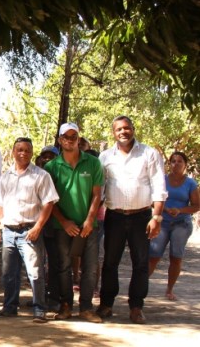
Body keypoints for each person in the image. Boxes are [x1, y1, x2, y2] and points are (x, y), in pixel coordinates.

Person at [97, 115, 167, 325]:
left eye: (126, 128)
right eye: (119, 129)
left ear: (133, 129)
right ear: (113, 133)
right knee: (110, 262)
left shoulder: (149, 153)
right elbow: (99, 189)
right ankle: (106, 304)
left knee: (141, 263)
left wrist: (156, 217)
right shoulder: (105, 157)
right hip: (115, 216)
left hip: (142, 216)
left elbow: (158, 187)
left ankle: (136, 307)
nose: (123, 132)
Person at [0, 137, 59, 323]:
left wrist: (38, 227)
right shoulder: (6, 176)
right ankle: (10, 307)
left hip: (30, 230)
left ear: (31, 153)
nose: (23, 153)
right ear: (13, 152)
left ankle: (39, 309)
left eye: (27, 150)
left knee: (35, 272)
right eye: (19, 149)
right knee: (8, 273)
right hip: (9, 231)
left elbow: (49, 203)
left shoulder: (41, 176)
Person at [43, 123, 104, 323]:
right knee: (63, 267)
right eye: (65, 136)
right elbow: (49, 200)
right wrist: (64, 221)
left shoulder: (93, 163)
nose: (70, 139)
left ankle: (86, 308)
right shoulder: (52, 167)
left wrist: (89, 220)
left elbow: (97, 194)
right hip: (63, 227)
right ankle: (66, 306)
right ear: (60, 140)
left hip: (89, 226)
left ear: (78, 138)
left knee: (90, 267)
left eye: (73, 136)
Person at [148, 151, 197, 301]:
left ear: (185, 165)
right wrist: (164, 209)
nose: (176, 164)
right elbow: (150, 199)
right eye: (173, 161)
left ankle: (170, 289)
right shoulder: (161, 180)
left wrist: (180, 210)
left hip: (181, 224)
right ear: (169, 164)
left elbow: (196, 205)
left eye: (180, 161)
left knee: (176, 257)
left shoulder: (191, 183)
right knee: (153, 256)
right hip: (162, 222)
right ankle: (140, 284)